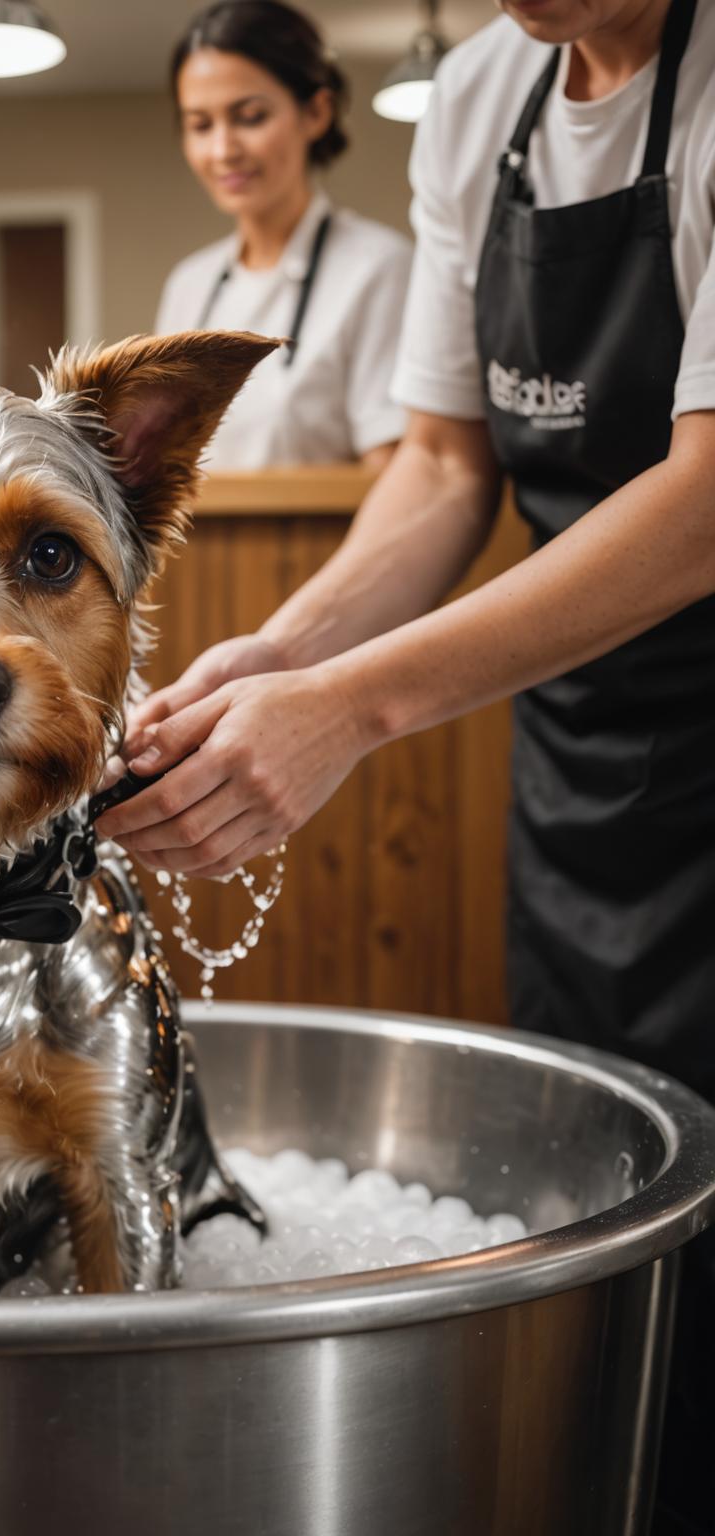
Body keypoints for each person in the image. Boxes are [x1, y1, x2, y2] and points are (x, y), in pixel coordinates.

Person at [101, 0, 715, 1527]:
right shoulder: (480, 103)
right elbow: (446, 464)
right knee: (633, 1189)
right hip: (586, 742)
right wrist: (288, 657)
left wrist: (357, 710)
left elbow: (706, 500)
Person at [157, 0, 412, 470]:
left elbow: (394, 474)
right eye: (200, 125)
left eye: (250, 117)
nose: (222, 150)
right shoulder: (188, 285)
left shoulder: (379, 268)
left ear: (316, 113)